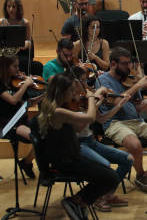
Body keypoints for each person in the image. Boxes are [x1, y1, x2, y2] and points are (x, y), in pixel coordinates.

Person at [36, 72, 120, 219]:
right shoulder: (57, 111)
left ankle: (80, 203)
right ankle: (75, 201)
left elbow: (79, 126)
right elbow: (90, 117)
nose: (74, 94)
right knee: (111, 178)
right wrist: (91, 98)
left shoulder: (59, 108)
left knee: (108, 175)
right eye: (71, 91)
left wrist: (94, 102)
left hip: (72, 155)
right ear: (62, 92)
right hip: (66, 161)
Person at [95, 47, 147, 194]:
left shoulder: (130, 78)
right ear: (113, 64)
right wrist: (137, 85)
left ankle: (146, 176)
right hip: (114, 123)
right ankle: (140, 175)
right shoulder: (102, 80)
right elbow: (115, 102)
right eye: (125, 64)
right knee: (135, 144)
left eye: (130, 63)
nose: (129, 67)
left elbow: (139, 107)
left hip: (136, 122)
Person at [71, 66, 132, 211]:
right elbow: (79, 127)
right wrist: (94, 100)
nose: (86, 85)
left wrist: (118, 106)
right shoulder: (69, 102)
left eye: (86, 81)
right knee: (105, 166)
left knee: (127, 159)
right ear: (73, 82)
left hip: (90, 141)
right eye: (83, 81)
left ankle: (106, 195)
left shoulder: (86, 98)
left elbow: (101, 119)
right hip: (78, 145)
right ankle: (91, 197)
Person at [0, 54, 40, 179]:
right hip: (7, 124)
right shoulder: (0, 84)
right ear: (5, 68)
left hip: (21, 121)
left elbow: (26, 103)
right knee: (37, 138)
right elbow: (12, 100)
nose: (18, 69)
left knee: (44, 135)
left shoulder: (15, 83)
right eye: (15, 66)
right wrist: (25, 84)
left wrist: (44, 95)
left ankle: (27, 162)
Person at [1, 0, 43, 75]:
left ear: (18, 8)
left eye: (13, 6)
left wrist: (25, 44)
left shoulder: (25, 22)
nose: (11, 9)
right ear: (5, 7)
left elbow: (29, 42)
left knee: (25, 63)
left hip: (20, 53)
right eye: (8, 6)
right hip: (6, 54)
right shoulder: (1, 22)